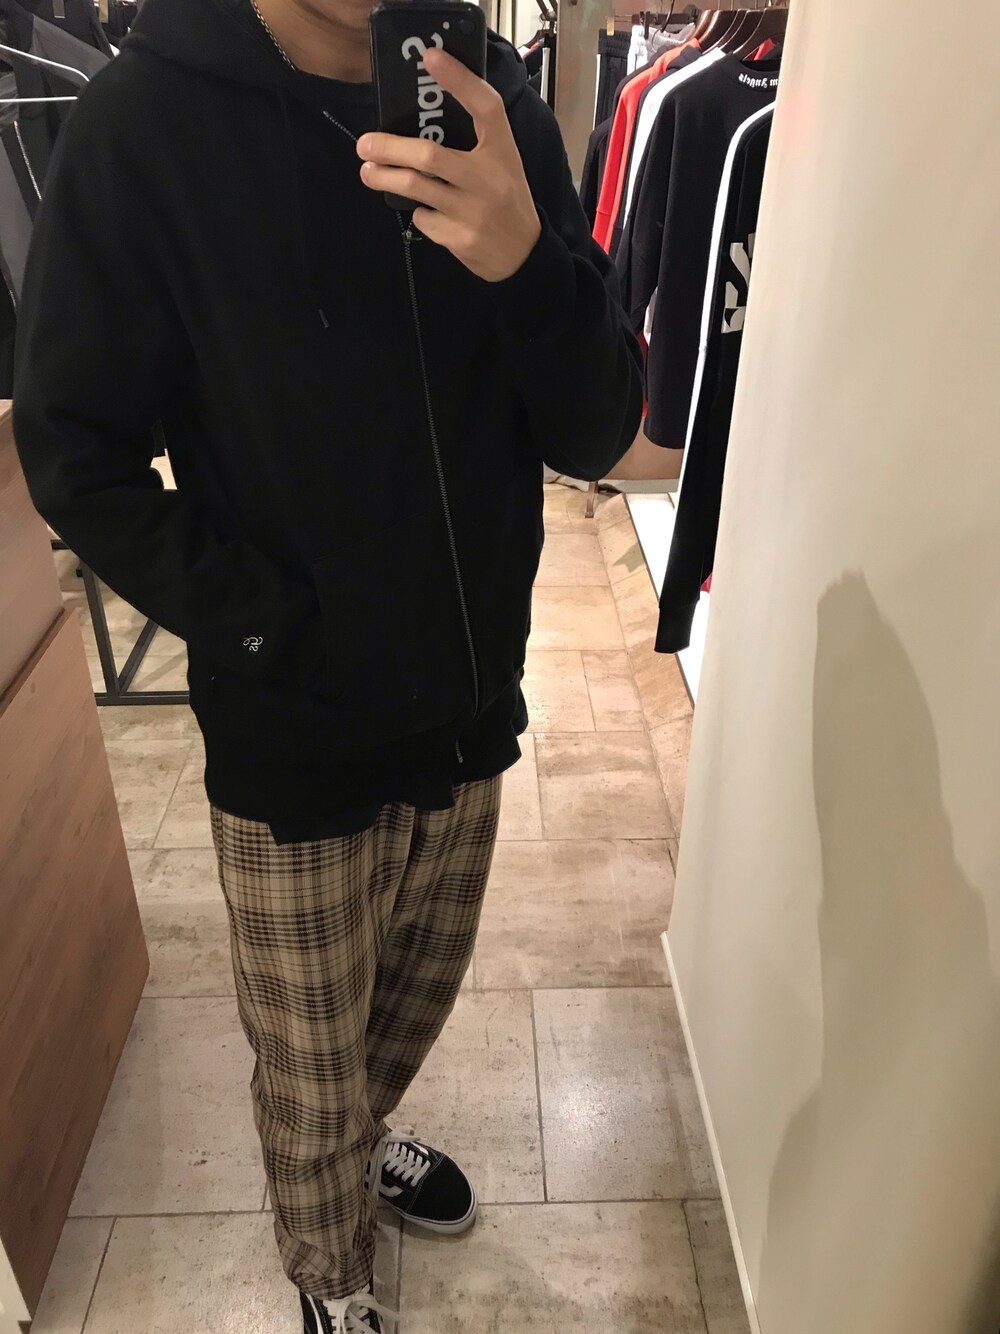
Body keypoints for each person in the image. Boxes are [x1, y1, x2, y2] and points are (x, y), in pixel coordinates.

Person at [12, 0, 643, 1324]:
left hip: (470, 695)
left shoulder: (488, 95)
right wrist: (266, 631)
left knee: (402, 1005)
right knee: (306, 1059)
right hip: (293, 722)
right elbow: (74, 450)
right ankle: (332, 1279)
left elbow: (594, 432)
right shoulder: (145, 124)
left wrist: (526, 263)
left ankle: (363, 1140)